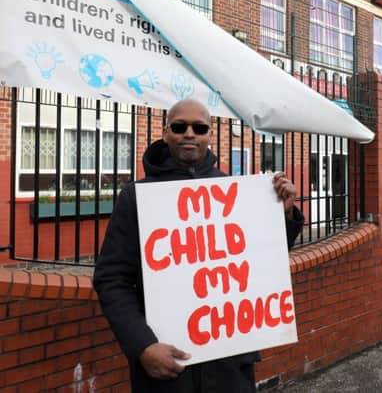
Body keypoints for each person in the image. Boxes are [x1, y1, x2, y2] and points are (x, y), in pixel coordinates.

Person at [93, 99, 304, 392]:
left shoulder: (233, 191)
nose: (189, 133)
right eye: (179, 127)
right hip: (167, 372)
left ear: (209, 134)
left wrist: (286, 213)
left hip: (229, 367)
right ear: (166, 133)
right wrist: (143, 346)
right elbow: (111, 279)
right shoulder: (136, 196)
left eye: (199, 127)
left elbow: (263, 260)